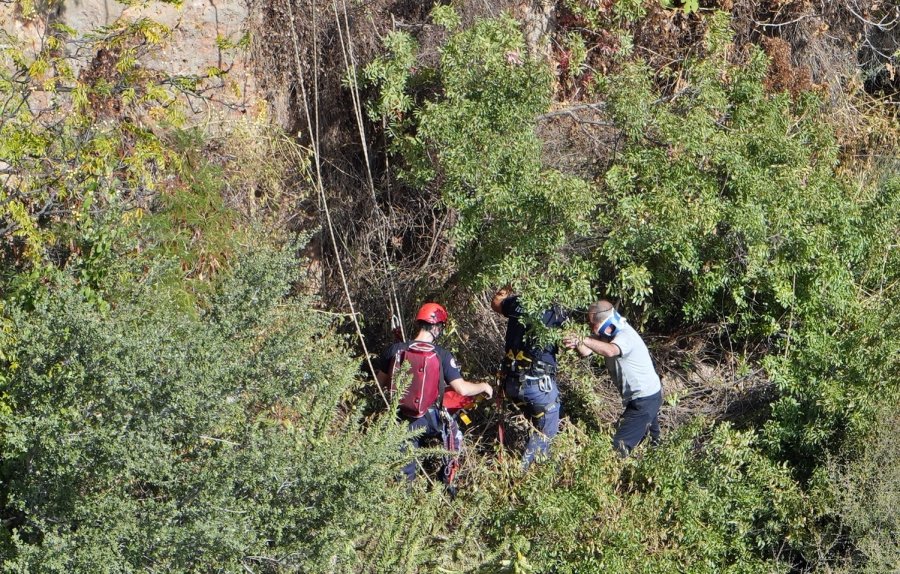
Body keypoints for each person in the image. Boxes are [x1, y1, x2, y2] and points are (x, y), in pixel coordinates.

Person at [375, 302, 493, 485]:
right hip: (430, 420)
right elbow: (462, 389)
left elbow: (380, 383)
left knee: (404, 472)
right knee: (454, 438)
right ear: (437, 327)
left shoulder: (395, 350)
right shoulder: (441, 355)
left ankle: (403, 498)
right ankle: (445, 483)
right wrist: (483, 386)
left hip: (400, 419)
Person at [562, 300, 662, 456]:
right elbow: (586, 352)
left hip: (644, 400)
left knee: (618, 447)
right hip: (647, 397)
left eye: (592, 324)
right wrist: (576, 342)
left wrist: (584, 339)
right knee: (653, 443)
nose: (591, 328)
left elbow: (610, 351)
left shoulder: (624, 335)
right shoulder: (607, 334)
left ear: (603, 322)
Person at [491, 287, 567, 468]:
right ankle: (525, 477)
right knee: (546, 431)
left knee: (541, 424)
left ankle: (531, 466)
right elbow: (581, 349)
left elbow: (496, 304)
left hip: (512, 384)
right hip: (537, 386)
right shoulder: (557, 311)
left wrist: (505, 288)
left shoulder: (518, 302)